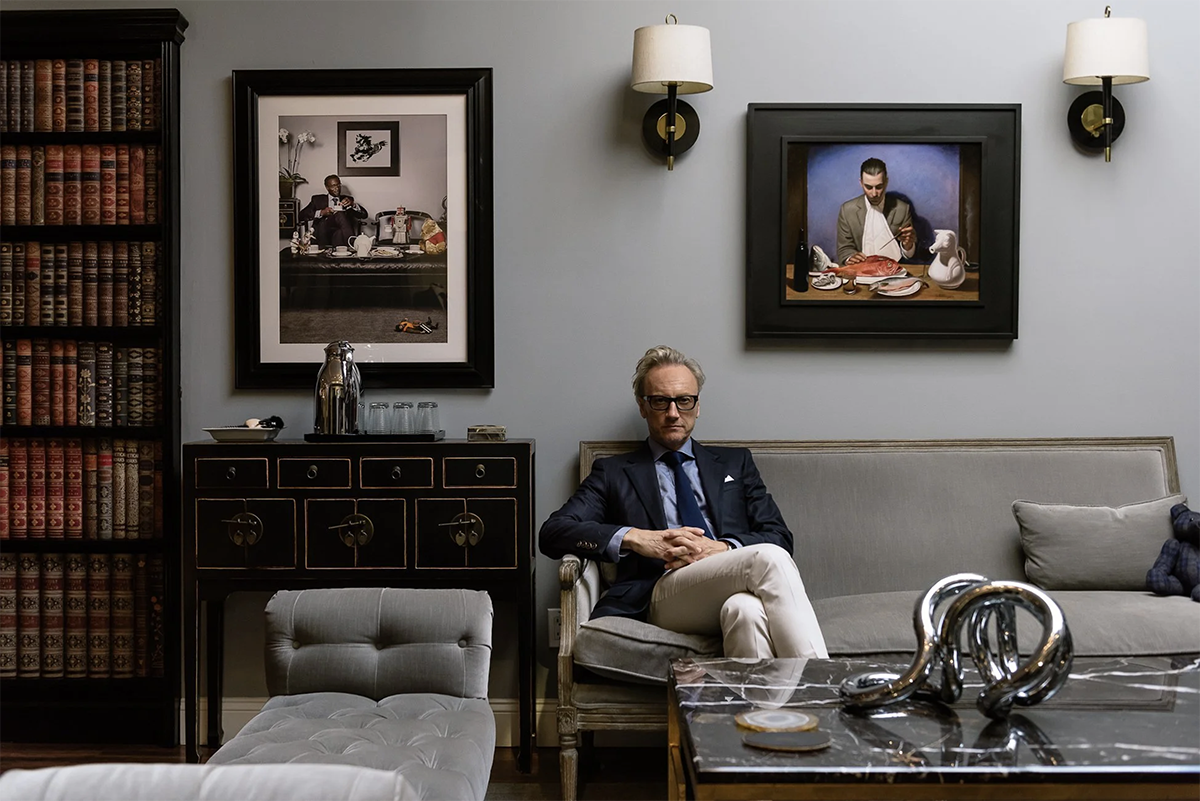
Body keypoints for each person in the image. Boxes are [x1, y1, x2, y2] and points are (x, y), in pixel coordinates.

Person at [539, 346, 828, 660]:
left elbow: (779, 535)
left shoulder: (735, 463)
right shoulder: (614, 472)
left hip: (730, 584)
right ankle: (825, 689)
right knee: (769, 559)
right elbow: (553, 532)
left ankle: (754, 708)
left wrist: (725, 547)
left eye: (684, 401)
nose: (673, 413)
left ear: (698, 405)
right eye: (660, 401)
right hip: (662, 592)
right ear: (642, 406)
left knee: (745, 612)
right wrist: (635, 538)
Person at [835, 157, 915, 266]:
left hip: (893, 271)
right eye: (868, 187)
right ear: (861, 183)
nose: (874, 193)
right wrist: (850, 257)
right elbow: (844, 249)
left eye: (879, 187)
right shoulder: (847, 210)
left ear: (886, 182)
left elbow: (909, 254)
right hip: (861, 270)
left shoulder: (902, 209)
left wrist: (908, 245)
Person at [298, 174, 369, 248]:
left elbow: (364, 215)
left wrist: (353, 205)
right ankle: (353, 246)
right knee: (339, 215)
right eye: (333, 186)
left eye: (338, 185)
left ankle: (347, 249)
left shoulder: (347, 199)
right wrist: (322, 212)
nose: (337, 188)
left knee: (339, 219)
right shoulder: (317, 200)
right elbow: (301, 215)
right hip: (323, 231)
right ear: (327, 187)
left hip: (340, 234)